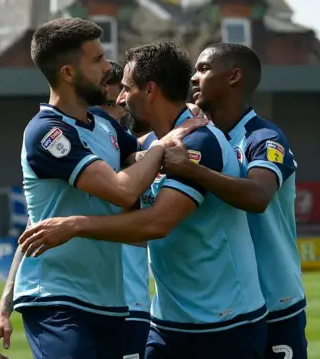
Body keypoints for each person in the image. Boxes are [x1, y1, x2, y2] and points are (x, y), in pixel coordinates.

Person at [18, 41, 268, 359]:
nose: (121, 99)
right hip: (168, 323)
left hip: (225, 322)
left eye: (126, 89)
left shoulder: (199, 141)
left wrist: (75, 226)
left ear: (150, 90)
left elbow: (157, 223)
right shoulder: (150, 147)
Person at [0, 19, 205, 359]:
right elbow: (123, 190)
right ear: (69, 73)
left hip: (109, 302)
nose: (107, 68)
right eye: (98, 60)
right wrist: (165, 144)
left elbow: (139, 157)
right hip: (58, 299)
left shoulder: (103, 125)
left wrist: (179, 119)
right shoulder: (47, 134)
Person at [160, 43, 308, 359]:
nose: (194, 78)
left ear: (234, 76)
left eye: (204, 69)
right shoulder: (199, 135)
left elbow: (257, 196)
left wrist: (190, 169)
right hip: (223, 309)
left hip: (274, 301)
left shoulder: (263, 137)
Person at [90, 59, 153, 359]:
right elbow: (32, 228)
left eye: (114, 105)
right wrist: (3, 308)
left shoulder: (142, 155)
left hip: (131, 307)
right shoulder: (72, 154)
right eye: (100, 106)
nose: (109, 113)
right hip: (80, 305)